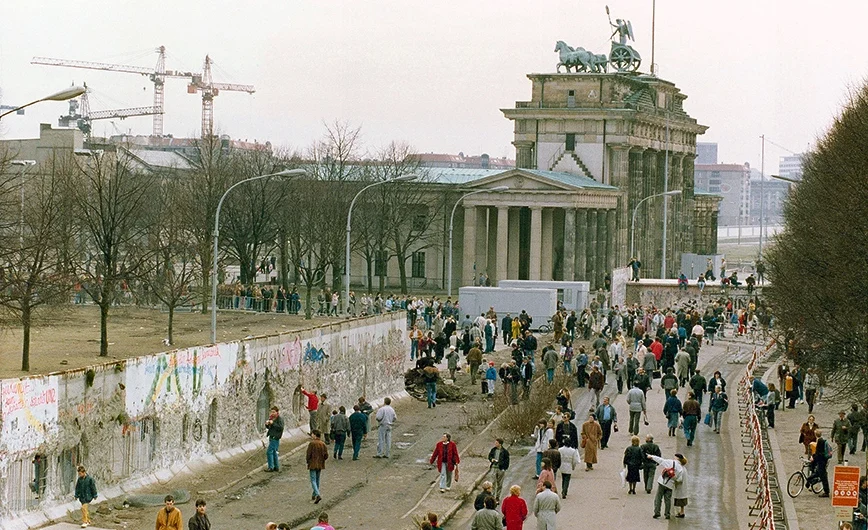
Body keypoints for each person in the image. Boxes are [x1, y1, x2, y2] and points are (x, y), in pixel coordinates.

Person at [648, 452, 685, 519]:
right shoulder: (680, 468)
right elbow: (680, 480)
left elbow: (661, 460)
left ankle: (657, 512)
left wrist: (652, 456)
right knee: (668, 500)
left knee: (658, 498)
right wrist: (674, 479)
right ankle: (667, 514)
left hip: (662, 482)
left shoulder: (670, 462)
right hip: (670, 485)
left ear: (677, 458)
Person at [306, 430, 329, 504]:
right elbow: (326, 455)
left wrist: (308, 461)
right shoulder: (323, 444)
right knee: (317, 479)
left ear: (315, 435)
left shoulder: (312, 444)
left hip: (312, 464)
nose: (311, 435)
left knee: (313, 480)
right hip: (320, 464)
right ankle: (314, 494)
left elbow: (308, 454)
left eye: (312, 434)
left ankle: (317, 494)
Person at [810, 429, 831, 497]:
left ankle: (826, 492)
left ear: (815, 435)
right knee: (818, 473)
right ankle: (809, 482)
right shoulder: (821, 440)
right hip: (823, 461)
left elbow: (818, 453)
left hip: (821, 462)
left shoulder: (820, 441)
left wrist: (813, 458)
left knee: (823, 476)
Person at [265, 406, 284, 472]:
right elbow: (269, 427)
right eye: (271, 412)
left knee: (269, 452)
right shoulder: (271, 418)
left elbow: (280, 428)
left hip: (275, 437)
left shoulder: (279, 419)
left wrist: (273, 423)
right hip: (271, 436)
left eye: (274, 412)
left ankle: (271, 467)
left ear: (277, 412)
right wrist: (267, 424)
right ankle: (276, 466)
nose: (272, 413)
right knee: (274, 452)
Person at [672, 454, 689, 518]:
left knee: (681, 500)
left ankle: (681, 512)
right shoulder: (683, 468)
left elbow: (679, 479)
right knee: (682, 499)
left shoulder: (680, 468)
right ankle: (681, 511)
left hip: (680, 487)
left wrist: (674, 479)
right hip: (682, 487)